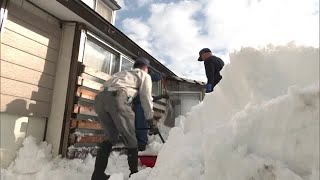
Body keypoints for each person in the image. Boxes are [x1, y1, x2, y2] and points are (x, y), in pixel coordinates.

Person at [91, 57, 159, 180]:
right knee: (131, 138)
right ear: (146, 68)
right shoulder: (144, 75)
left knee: (111, 137)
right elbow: (146, 98)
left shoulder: (122, 73)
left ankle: (98, 174)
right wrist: (151, 121)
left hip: (99, 99)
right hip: (117, 98)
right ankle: (134, 174)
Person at [133, 72, 169, 151]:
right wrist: (160, 75)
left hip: (140, 107)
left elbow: (151, 98)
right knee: (141, 127)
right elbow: (151, 77)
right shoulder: (143, 80)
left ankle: (140, 147)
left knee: (142, 127)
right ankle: (141, 147)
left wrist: (161, 96)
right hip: (140, 107)